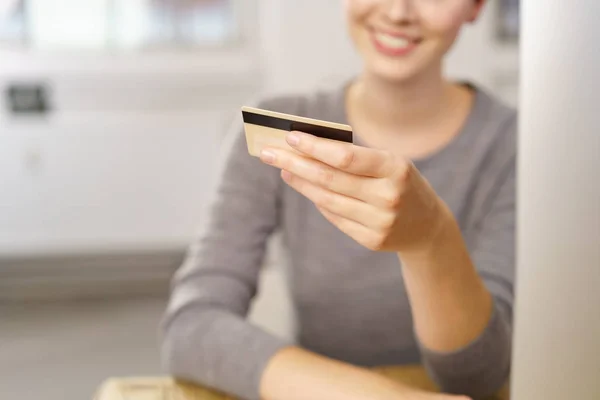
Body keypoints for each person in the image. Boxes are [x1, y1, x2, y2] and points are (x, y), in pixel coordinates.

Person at [161, 1, 516, 400]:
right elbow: (193, 326)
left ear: (477, 6)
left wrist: (430, 238)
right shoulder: (275, 130)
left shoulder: (514, 148)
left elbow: (479, 377)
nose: (399, 12)